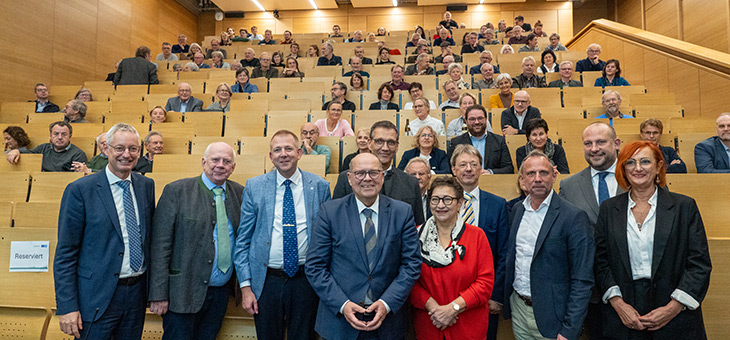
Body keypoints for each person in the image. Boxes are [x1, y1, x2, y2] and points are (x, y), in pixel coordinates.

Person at [594, 141, 712, 340]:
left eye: (645, 161)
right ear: (623, 169)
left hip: (676, 313)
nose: (637, 168)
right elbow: (600, 261)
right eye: (630, 163)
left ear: (658, 167)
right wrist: (618, 304)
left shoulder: (685, 207)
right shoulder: (609, 208)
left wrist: (672, 308)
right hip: (623, 313)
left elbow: (699, 264)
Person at [306, 151, 422, 340]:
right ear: (350, 178)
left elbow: (411, 265)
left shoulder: (402, 212)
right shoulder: (330, 212)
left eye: (373, 173)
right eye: (360, 173)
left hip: (388, 324)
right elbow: (315, 267)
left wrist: (386, 303)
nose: (367, 178)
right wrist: (343, 304)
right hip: (339, 323)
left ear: (382, 177)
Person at [54, 123, 154, 339]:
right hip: (96, 297)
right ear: (106, 149)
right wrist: (68, 306)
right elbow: (65, 254)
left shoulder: (146, 186)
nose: (126, 154)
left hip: (136, 294)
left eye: (133, 149)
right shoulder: (80, 190)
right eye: (119, 148)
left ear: (140, 151)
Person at [234, 130, 331, 340]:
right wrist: (246, 288)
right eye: (277, 150)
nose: (283, 154)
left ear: (299, 153)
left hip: (306, 281)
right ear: (270, 156)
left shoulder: (320, 186)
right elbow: (243, 241)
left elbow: (327, 239)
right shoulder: (254, 186)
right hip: (267, 281)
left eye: (288, 149)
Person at [148, 142, 242, 340]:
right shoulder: (177, 191)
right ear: (203, 162)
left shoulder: (240, 193)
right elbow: (160, 246)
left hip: (220, 294)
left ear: (233, 167)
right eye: (215, 160)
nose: (220, 165)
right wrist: (158, 294)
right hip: (182, 293)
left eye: (226, 161)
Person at [505, 150, 594, 340]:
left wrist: (570, 329)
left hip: (555, 319)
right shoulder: (517, 210)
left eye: (543, 173)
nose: (537, 179)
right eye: (531, 174)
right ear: (522, 180)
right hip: (519, 310)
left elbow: (582, 279)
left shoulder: (574, 216)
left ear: (554, 176)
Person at [410, 176, 495, 340]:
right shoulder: (415, 235)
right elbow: (408, 278)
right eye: (435, 199)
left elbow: (485, 282)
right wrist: (434, 308)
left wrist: (453, 308)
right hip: (430, 324)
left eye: (447, 199)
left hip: (468, 327)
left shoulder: (477, 236)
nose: (440, 205)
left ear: (460, 203)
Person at [449, 144, 510, 340]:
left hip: (485, 297)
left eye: (474, 164)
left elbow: (503, 253)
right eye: (463, 164)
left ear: (481, 169)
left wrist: (496, 295)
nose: (468, 169)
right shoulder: (441, 203)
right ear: (453, 169)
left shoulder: (498, 204)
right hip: (447, 295)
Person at [333, 120, 426, 225]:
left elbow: (417, 225)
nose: (385, 148)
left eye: (391, 142)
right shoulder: (345, 179)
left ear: (397, 146)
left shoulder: (410, 183)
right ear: (369, 143)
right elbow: (336, 220)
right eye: (379, 141)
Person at [448, 105, 513, 174]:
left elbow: (509, 168)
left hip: (492, 182)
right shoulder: (456, 142)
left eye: (480, 118)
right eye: (472, 119)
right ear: (466, 122)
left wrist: (490, 172)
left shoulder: (499, 141)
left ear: (486, 119)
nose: (477, 122)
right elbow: (451, 169)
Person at [6, 121, 87, 171]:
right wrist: (16, 151)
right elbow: (28, 153)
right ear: (51, 136)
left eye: (64, 134)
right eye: (56, 134)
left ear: (70, 136)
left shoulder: (78, 154)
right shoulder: (43, 148)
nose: (59, 137)